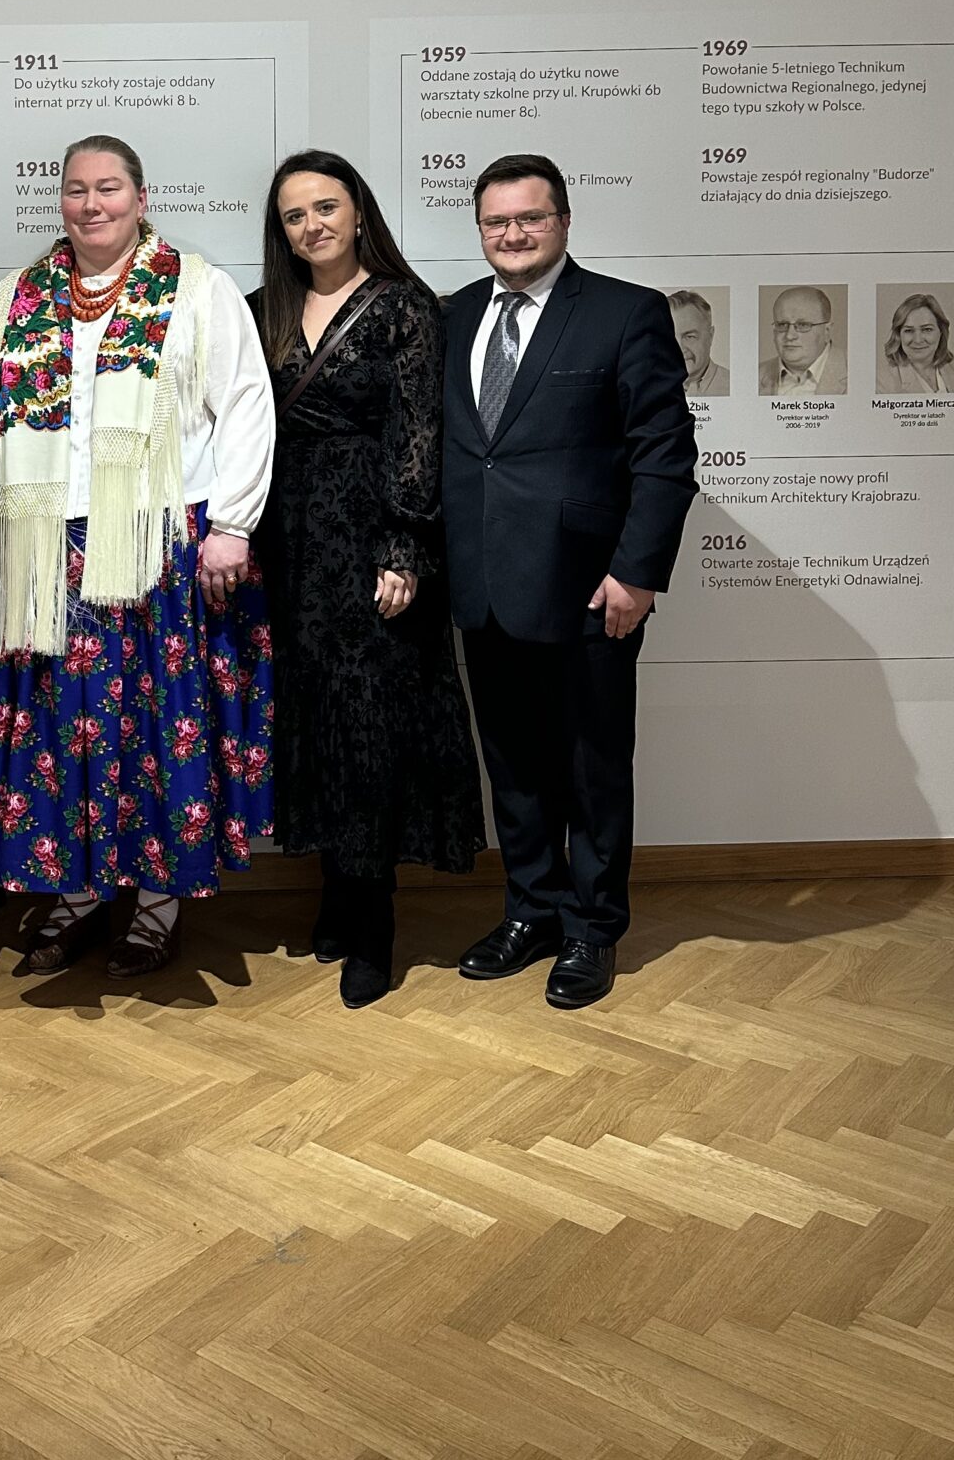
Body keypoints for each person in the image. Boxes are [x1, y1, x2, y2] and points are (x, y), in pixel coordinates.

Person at [0, 136, 275, 979]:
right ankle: (74, 892)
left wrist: (234, 525)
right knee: (61, 731)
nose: (91, 204)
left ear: (142, 199)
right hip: (46, 549)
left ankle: (156, 902)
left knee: (151, 728)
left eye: (108, 188)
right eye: (76, 189)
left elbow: (245, 405)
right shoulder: (19, 296)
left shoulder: (196, 289)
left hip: (156, 543)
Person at [442, 155, 696, 1010]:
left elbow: (664, 455)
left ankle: (592, 928)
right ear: (480, 229)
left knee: (592, 768)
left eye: (530, 218)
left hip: (591, 590)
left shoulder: (626, 312)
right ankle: (532, 912)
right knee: (513, 767)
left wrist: (638, 573)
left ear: (564, 221)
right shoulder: (454, 315)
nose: (512, 234)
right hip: (483, 584)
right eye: (497, 222)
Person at [252, 151, 483, 1008]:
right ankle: (335, 892)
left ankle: (374, 918)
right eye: (295, 215)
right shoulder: (264, 311)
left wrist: (404, 547)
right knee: (312, 715)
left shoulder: (404, 307)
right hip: (287, 539)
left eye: (326, 207)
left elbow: (420, 430)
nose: (312, 225)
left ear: (358, 213)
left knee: (372, 725)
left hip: (373, 540)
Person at [758, 287, 847, 395]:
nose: (790, 336)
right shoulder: (753, 375)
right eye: (782, 324)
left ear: (827, 331)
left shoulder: (859, 372)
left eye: (803, 325)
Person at [881, 291, 954, 395]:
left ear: (941, 332)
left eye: (927, 329)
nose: (918, 340)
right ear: (898, 335)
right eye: (909, 330)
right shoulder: (883, 382)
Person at [666, 289, 729, 395]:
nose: (679, 349)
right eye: (670, 338)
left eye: (689, 337)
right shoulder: (645, 388)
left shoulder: (733, 386)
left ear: (710, 336)